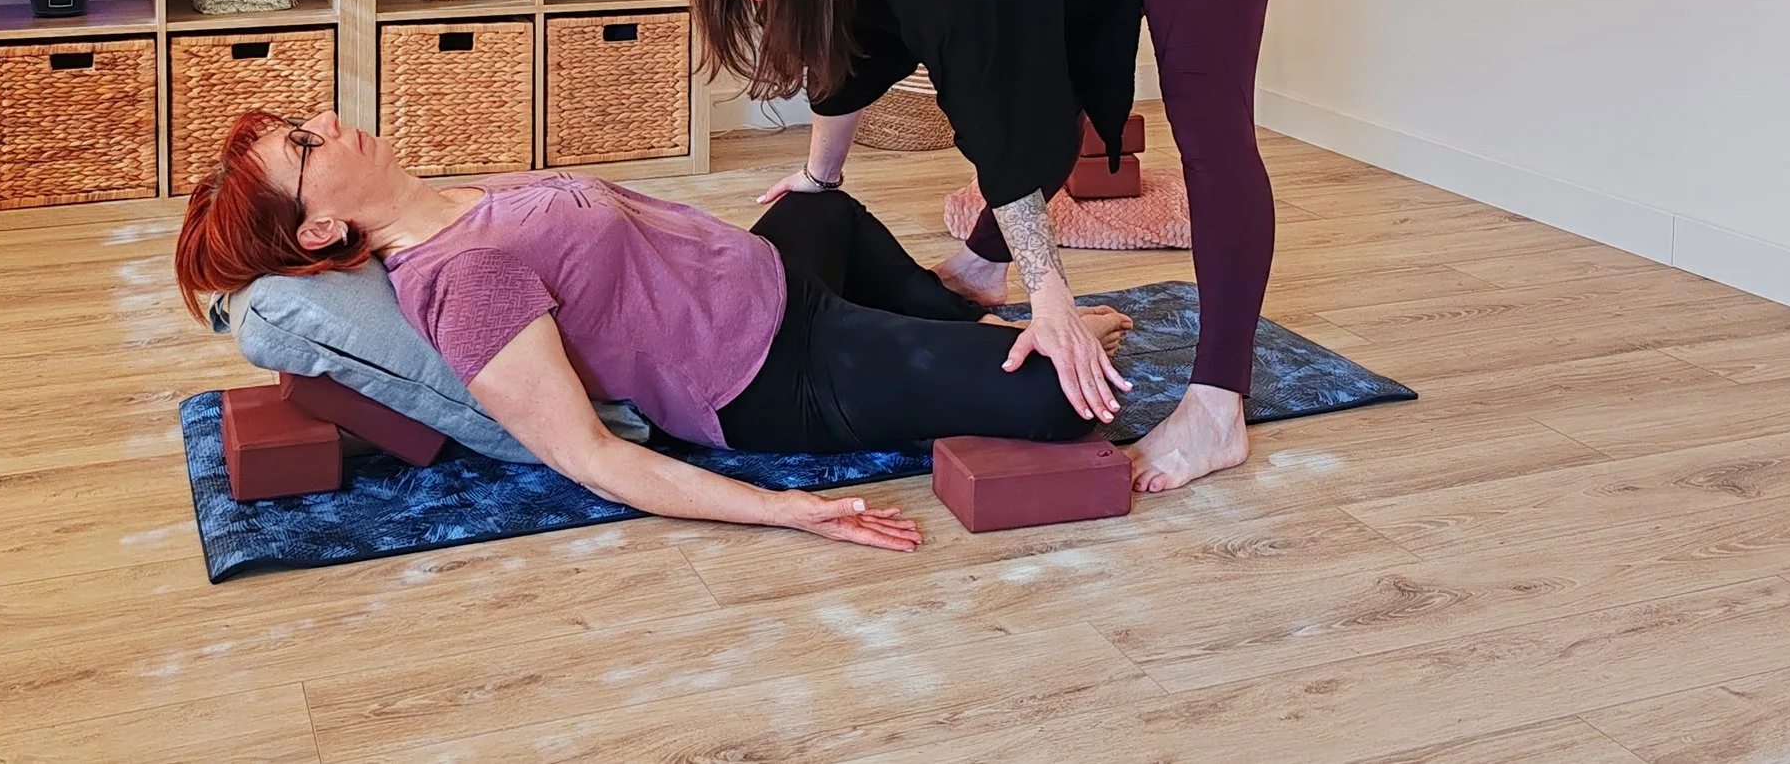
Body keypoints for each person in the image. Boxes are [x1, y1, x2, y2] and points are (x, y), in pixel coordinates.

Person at [668, 0, 1276, 493]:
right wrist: (818, 180)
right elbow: (849, 62)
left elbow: (1001, 114)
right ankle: (984, 266)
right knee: (1044, 100)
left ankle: (1217, 409)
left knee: (1210, 128)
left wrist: (1051, 299)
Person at [173, 109, 1132, 551]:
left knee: (823, 208)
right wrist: (787, 509)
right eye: (306, 147)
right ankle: (987, 345)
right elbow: (589, 455)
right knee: (1056, 392)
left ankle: (965, 321)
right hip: (774, 371)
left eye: (305, 122)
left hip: (774, 279)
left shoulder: (454, 195)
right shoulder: (460, 280)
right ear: (319, 229)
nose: (329, 123)